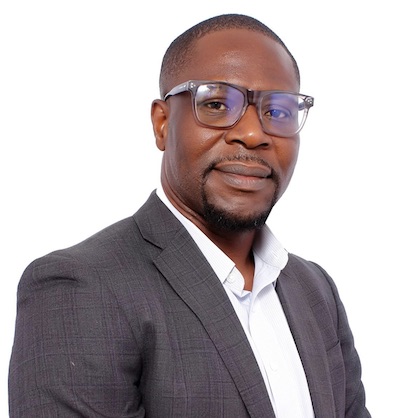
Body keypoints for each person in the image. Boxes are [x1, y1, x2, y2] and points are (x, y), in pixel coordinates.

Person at [8, 13, 371, 417]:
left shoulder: (315, 290)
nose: (253, 134)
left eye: (279, 112)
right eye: (216, 104)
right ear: (162, 124)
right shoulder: (81, 287)